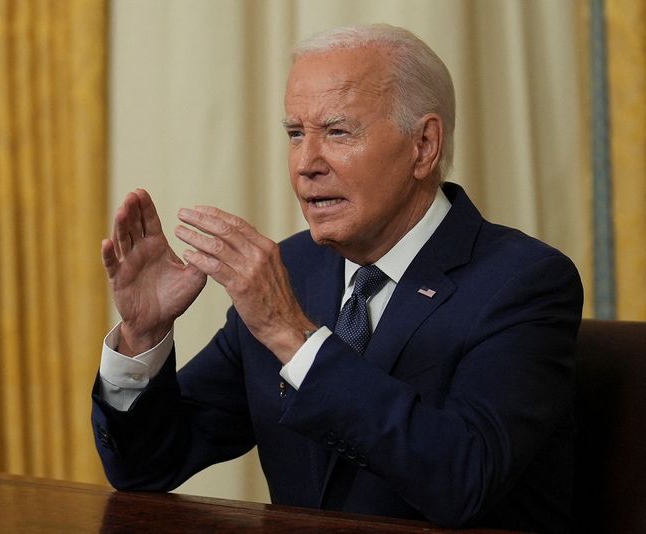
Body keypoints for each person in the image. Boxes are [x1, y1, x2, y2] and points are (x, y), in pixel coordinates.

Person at [91, 24, 583, 533]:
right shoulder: (291, 270)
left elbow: (464, 479)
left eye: (338, 132)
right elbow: (148, 464)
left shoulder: (524, 282)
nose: (306, 164)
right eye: (296, 134)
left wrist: (292, 334)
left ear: (424, 145)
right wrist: (142, 338)